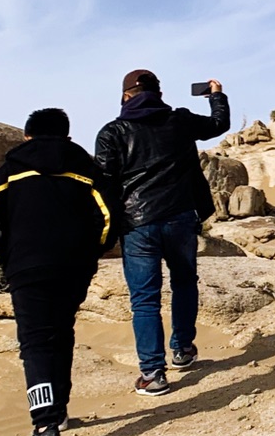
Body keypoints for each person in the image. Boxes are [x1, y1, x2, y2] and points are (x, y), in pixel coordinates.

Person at [0, 108, 118, 436]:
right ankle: (59, 412)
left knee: (35, 342)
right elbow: (109, 216)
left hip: (26, 267)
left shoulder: (11, 171)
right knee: (60, 333)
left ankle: (45, 426)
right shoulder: (86, 169)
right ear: (67, 136)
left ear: (27, 136)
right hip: (74, 268)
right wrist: (90, 252)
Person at [94, 70, 230, 397]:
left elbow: (104, 183)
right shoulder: (179, 120)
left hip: (137, 224)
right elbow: (218, 125)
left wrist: (106, 227)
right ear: (159, 92)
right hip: (180, 217)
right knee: (184, 283)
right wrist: (216, 95)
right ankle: (183, 349)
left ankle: (153, 373)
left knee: (144, 299)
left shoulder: (112, 132)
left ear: (126, 95)